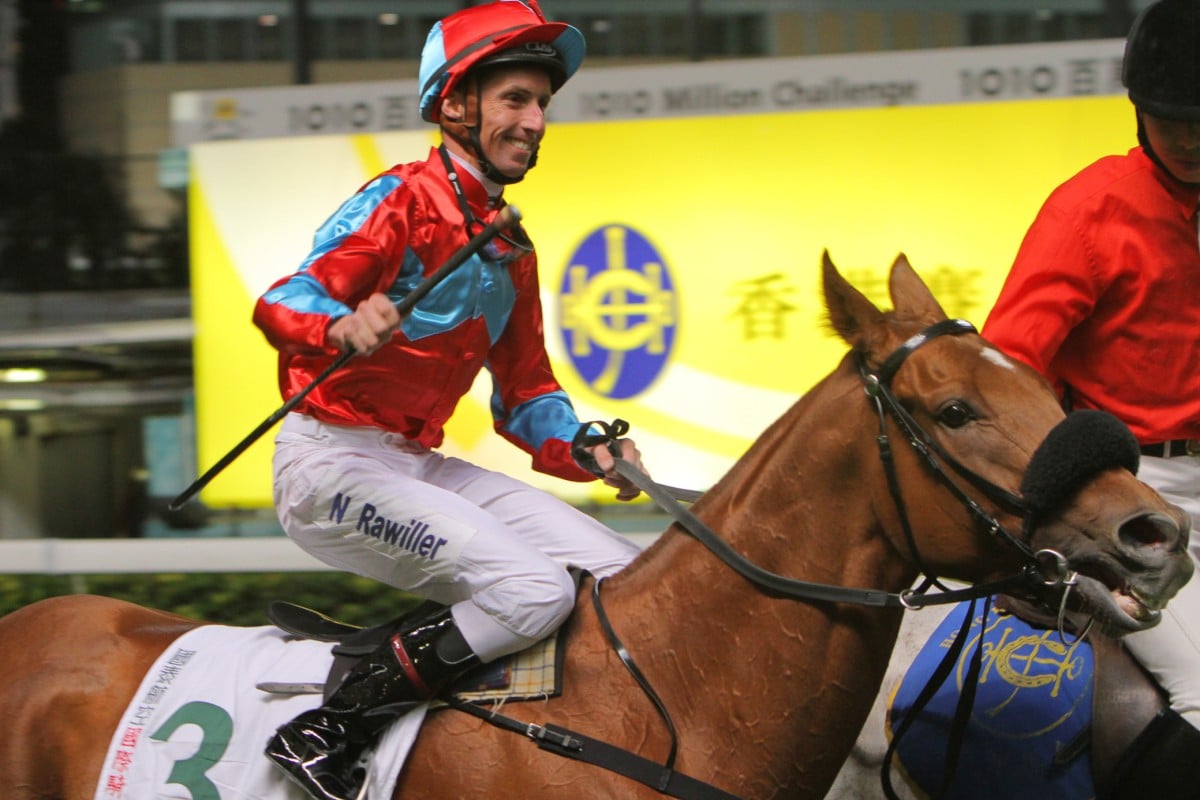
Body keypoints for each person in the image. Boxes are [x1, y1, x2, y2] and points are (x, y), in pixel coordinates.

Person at [251, 3, 647, 798]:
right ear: (456, 104)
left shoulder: (511, 246)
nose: (536, 121)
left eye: (542, 104)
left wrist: (591, 448)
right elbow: (282, 299)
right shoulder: (398, 199)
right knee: (533, 589)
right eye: (516, 100)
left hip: (413, 464)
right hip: (326, 463)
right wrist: (337, 325)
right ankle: (332, 726)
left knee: (625, 574)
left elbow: (527, 395)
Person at [982, 0, 1200, 794]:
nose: (1190, 138)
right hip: (1132, 492)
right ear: (1138, 109)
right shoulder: (1089, 209)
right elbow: (1010, 372)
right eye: (1172, 118)